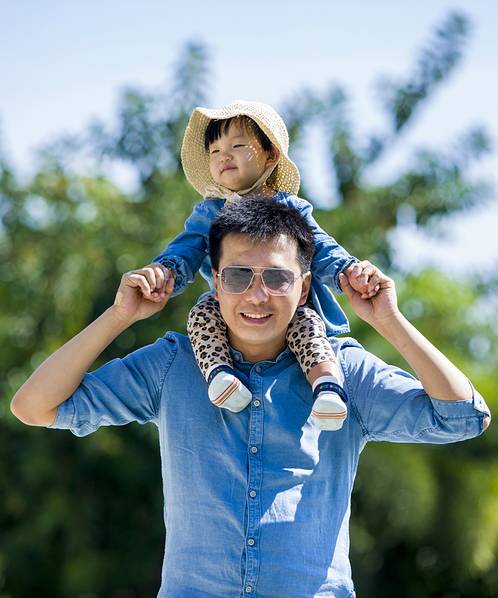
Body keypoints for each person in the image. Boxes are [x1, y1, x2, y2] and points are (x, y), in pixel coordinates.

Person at [11, 196, 491, 598]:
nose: (257, 295)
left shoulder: (345, 370)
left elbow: (463, 417)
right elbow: (34, 406)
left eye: (276, 278)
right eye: (238, 276)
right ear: (216, 282)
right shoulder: (173, 364)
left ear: (304, 286)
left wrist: (389, 321)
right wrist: (119, 317)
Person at [145, 100, 377, 430]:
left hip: (287, 304)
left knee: (308, 326)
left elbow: (322, 247)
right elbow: (186, 248)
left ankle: (327, 385)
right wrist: (165, 270)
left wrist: (348, 271)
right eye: (215, 150)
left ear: (270, 155)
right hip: (232, 306)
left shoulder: (291, 209)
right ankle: (220, 374)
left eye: (238, 146)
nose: (224, 156)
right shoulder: (210, 212)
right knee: (201, 315)